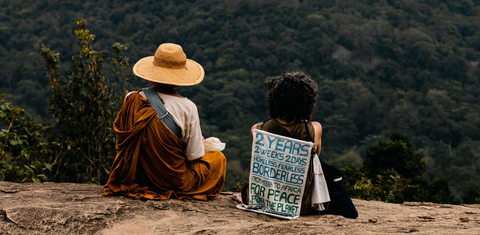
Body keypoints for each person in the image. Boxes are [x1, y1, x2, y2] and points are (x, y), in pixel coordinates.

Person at [104, 43, 226, 201]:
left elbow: (124, 142)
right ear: (179, 80)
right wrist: (200, 143)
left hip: (136, 177)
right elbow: (193, 157)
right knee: (218, 159)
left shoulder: (131, 98)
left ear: (152, 74)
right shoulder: (187, 107)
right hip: (171, 181)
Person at [251, 72, 358, 218]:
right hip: (304, 205)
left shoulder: (258, 130)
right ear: (306, 102)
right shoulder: (314, 129)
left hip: (268, 201)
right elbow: (315, 156)